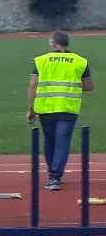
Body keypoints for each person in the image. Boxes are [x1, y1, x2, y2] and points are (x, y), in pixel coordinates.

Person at [27, 29, 92, 190]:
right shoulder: (80, 61)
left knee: (50, 141)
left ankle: (52, 174)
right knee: (62, 142)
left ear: (53, 44)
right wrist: (72, 85)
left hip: (46, 107)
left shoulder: (41, 60)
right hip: (68, 108)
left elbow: (33, 86)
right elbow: (89, 86)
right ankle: (55, 177)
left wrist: (31, 110)